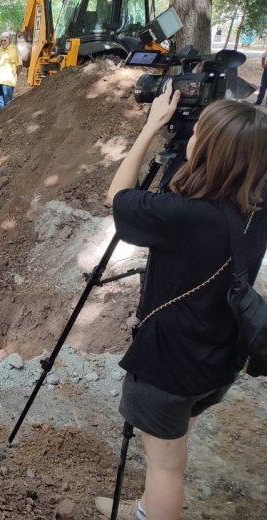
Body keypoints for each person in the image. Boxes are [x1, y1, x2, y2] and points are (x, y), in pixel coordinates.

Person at [94, 84, 267, 520]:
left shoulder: (182, 216)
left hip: (170, 363)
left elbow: (116, 197)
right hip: (219, 358)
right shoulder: (257, 205)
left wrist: (151, 126)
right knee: (172, 447)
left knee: (165, 465)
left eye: (199, 134)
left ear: (207, 151)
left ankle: (155, 508)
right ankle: (147, 506)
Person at [0, 32, 22, 110]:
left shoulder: (14, 50)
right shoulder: (1, 49)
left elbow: (19, 65)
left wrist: (15, 75)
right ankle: (0, 120)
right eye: (1, 41)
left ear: (9, 40)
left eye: (5, 40)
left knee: (8, 103)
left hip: (8, 81)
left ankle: (7, 121)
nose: (3, 42)